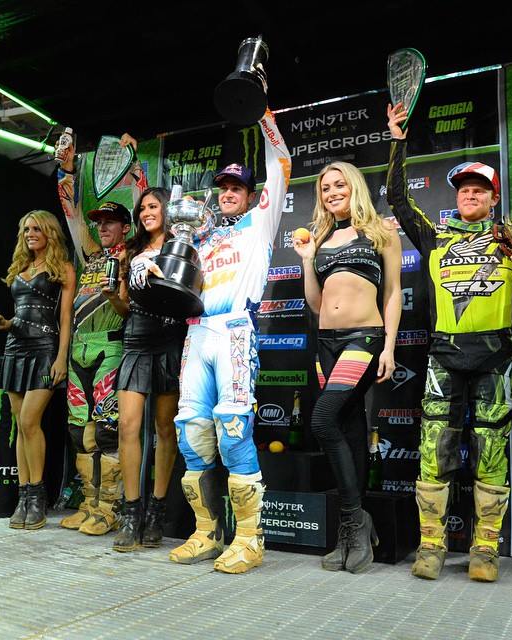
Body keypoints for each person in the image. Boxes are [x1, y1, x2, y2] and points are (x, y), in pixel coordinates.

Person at [386, 102, 512, 582]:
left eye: (479, 189)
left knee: (491, 451)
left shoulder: (511, 235)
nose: (470, 193)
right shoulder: (436, 237)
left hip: (495, 356)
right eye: (464, 188)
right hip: (444, 355)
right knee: (435, 449)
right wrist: (399, 140)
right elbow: (398, 199)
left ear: (493, 197)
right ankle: (431, 546)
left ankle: (485, 550)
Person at [168, 107, 291, 574]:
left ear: (250, 195)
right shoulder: (201, 237)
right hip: (196, 333)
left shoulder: (260, 222)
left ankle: (249, 539)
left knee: (234, 429)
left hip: (236, 330)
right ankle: (207, 533)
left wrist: (265, 117)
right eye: (223, 188)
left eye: (236, 187)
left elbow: (281, 165)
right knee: (191, 432)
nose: (228, 194)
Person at [292, 162, 401, 573]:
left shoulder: (381, 231)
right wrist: (307, 261)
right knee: (349, 428)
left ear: (354, 186)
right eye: (325, 188)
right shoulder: (319, 238)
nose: (332, 192)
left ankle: (355, 520)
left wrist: (389, 345)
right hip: (326, 342)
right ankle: (351, 531)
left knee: (322, 420)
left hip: (363, 338)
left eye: (339, 184)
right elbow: (316, 303)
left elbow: (393, 292)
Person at [57, 138, 135, 536]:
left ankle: (110, 508)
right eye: (99, 222)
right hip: (77, 351)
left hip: (110, 348)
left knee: (106, 431)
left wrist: (133, 166)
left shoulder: (131, 256)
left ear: (125, 227)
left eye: (110, 222)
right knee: (78, 430)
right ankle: (89, 504)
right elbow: (72, 216)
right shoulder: (90, 255)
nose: (101, 227)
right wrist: (68, 172)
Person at [112, 186, 188, 552]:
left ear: (167, 210)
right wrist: (112, 296)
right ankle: (131, 513)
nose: (146, 213)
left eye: (153, 206)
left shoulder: (182, 244)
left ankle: (156, 510)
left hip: (170, 338)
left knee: (164, 428)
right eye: (142, 208)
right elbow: (124, 306)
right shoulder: (129, 252)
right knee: (128, 426)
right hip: (136, 339)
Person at [0, 210, 75, 529]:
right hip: (14, 348)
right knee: (20, 425)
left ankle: (38, 496)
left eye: (36, 229)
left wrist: (61, 357)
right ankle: (24, 496)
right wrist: (6, 323)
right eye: (26, 229)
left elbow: (65, 318)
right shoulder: (21, 267)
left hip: (44, 349)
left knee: (30, 420)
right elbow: (21, 314)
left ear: (49, 232)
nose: (30, 233)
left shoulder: (63, 268)